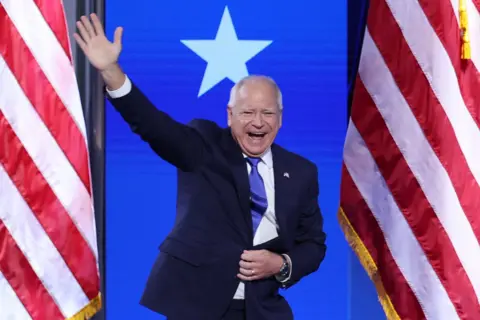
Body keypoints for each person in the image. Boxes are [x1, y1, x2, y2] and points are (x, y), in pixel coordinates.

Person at [74, 13, 327, 320]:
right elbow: (154, 126)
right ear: (229, 115)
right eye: (248, 112)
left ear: (280, 118)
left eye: (267, 113)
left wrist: (281, 264)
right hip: (198, 306)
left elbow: (312, 244)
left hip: (262, 309)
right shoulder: (205, 145)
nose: (258, 122)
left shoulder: (301, 171)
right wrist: (112, 72)